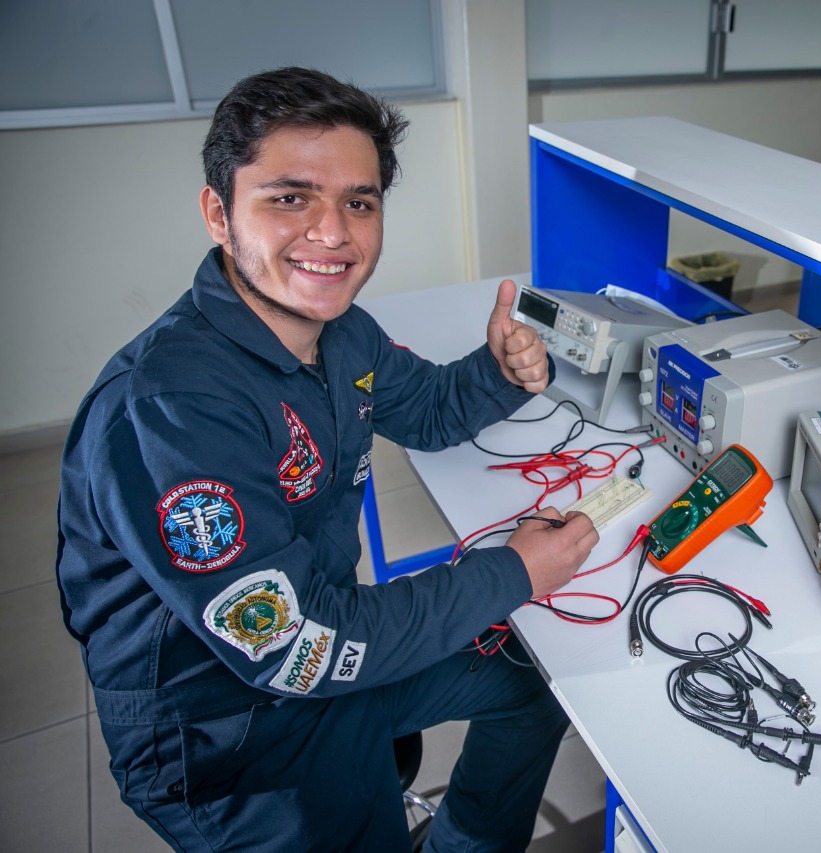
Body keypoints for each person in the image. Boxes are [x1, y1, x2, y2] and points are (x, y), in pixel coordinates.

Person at [55, 66, 600, 852]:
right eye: (289, 198)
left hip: (325, 651)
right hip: (230, 734)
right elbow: (290, 642)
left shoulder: (342, 333)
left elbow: (430, 408)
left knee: (529, 682)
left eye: (359, 202)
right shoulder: (171, 406)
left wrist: (502, 371)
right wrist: (512, 572)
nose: (333, 233)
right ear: (219, 213)